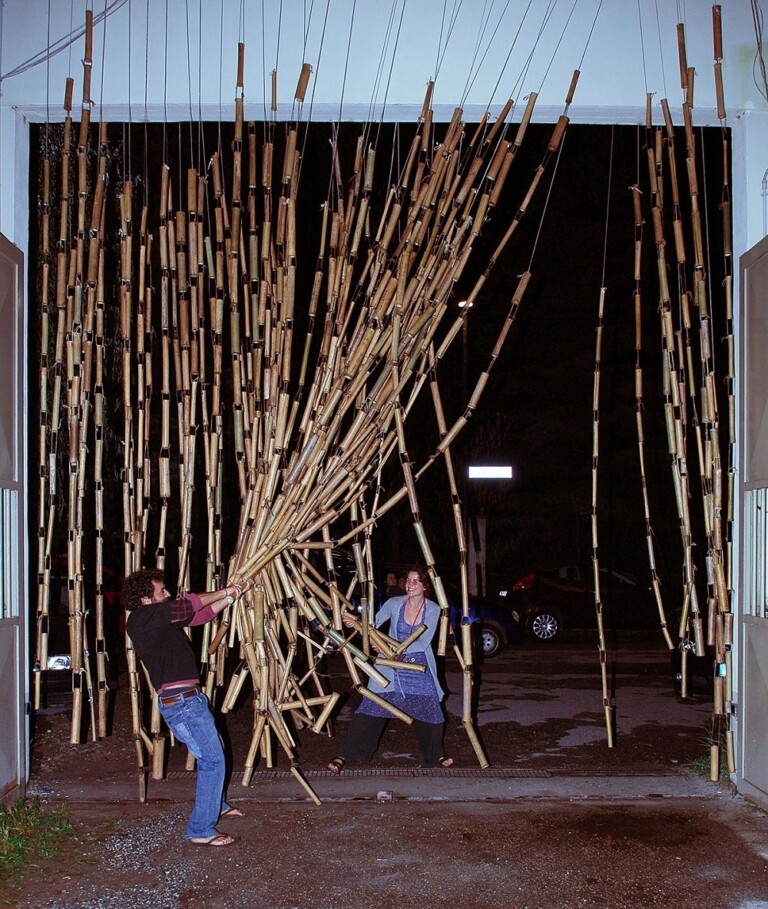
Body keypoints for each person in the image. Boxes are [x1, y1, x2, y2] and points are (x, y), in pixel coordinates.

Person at [123, 568, 249, 847]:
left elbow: (197, 615)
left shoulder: (158, 621)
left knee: (213, 755)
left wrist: (232, 597)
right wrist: (227, 590)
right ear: (145, 599)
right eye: (162, 591)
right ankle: (201, 828)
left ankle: (216, 805)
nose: (168, 594)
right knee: (213, 759)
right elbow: (186, 604)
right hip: (182, 703)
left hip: (188, 701)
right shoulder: (141, 618)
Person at [327, 565, 453, 772]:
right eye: (408, 580)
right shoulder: (394, 603)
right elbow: (372, 625)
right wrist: (358, 625)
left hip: (417, 666)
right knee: (370, 707)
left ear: (425, 586)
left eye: (416, 581)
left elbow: (423, 643)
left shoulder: (433, 609)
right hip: (389, 667)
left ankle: (436, 755)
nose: (410, 584)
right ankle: (345, 754)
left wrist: (394, 648)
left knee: (430, 709)